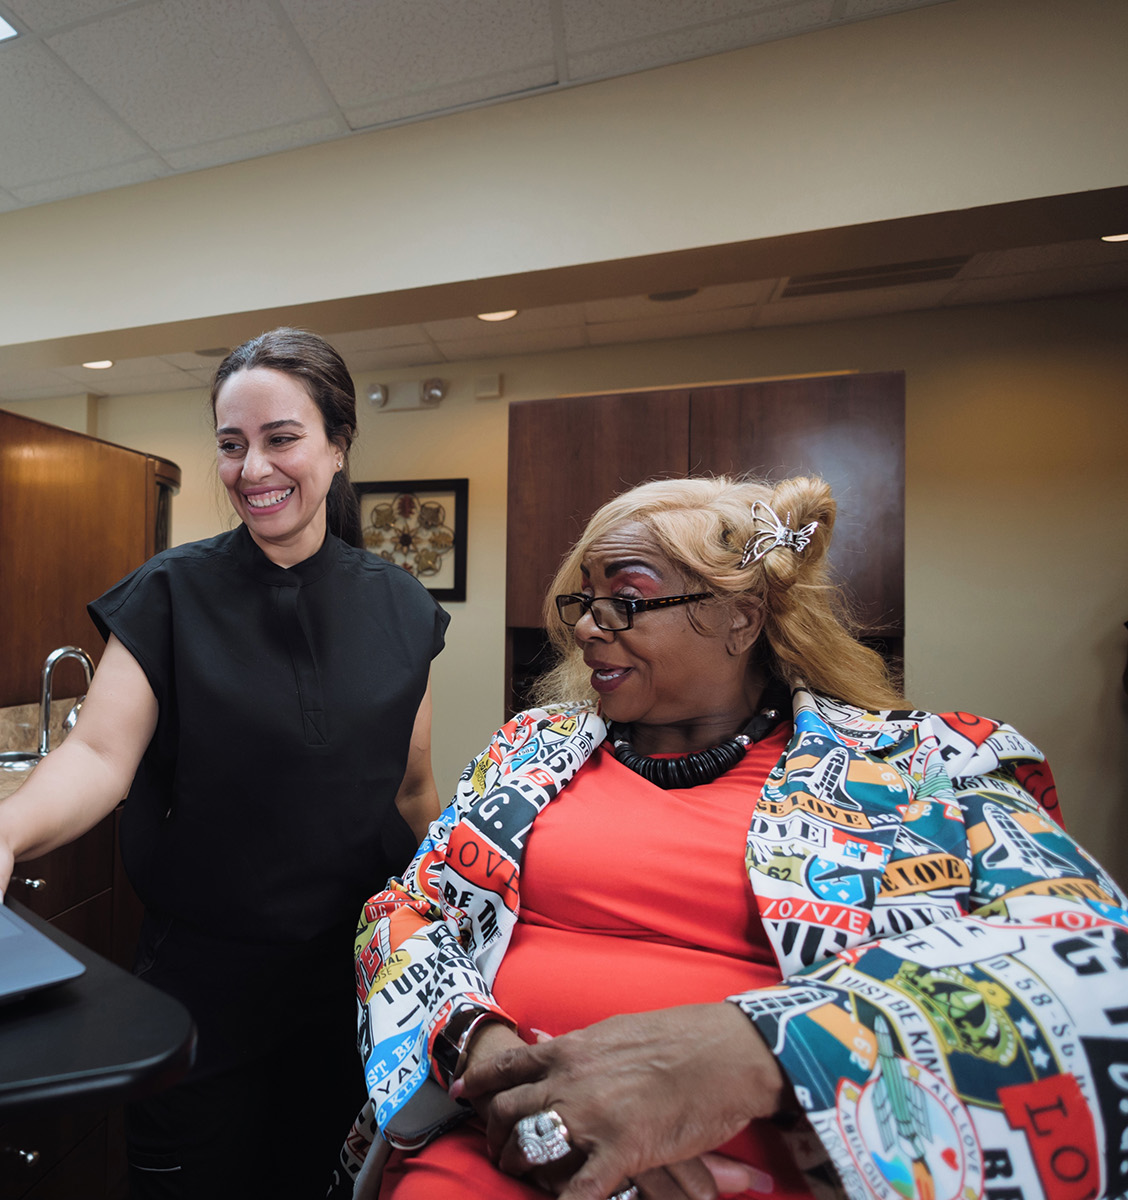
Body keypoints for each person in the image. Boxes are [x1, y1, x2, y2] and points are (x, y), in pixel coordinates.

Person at [346, 475, 1126, 1200]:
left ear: (740, 618)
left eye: (625, 599)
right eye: (582, 600)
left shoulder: (923, 766)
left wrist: (758, 1050)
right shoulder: (528, 748)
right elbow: (402, 915)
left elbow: (1092, 966)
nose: (587, 625)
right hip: (485, 1145)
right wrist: (490, 1063)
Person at [0, 328, 450, 1197]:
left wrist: (467, 919)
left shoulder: (401, 607)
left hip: (355, 987)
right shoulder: (172, 591)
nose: (252, 468)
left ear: (338, 447)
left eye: (281, 439)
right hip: (204, 992)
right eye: (231, 446)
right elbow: (96, 753)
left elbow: (413, 789)